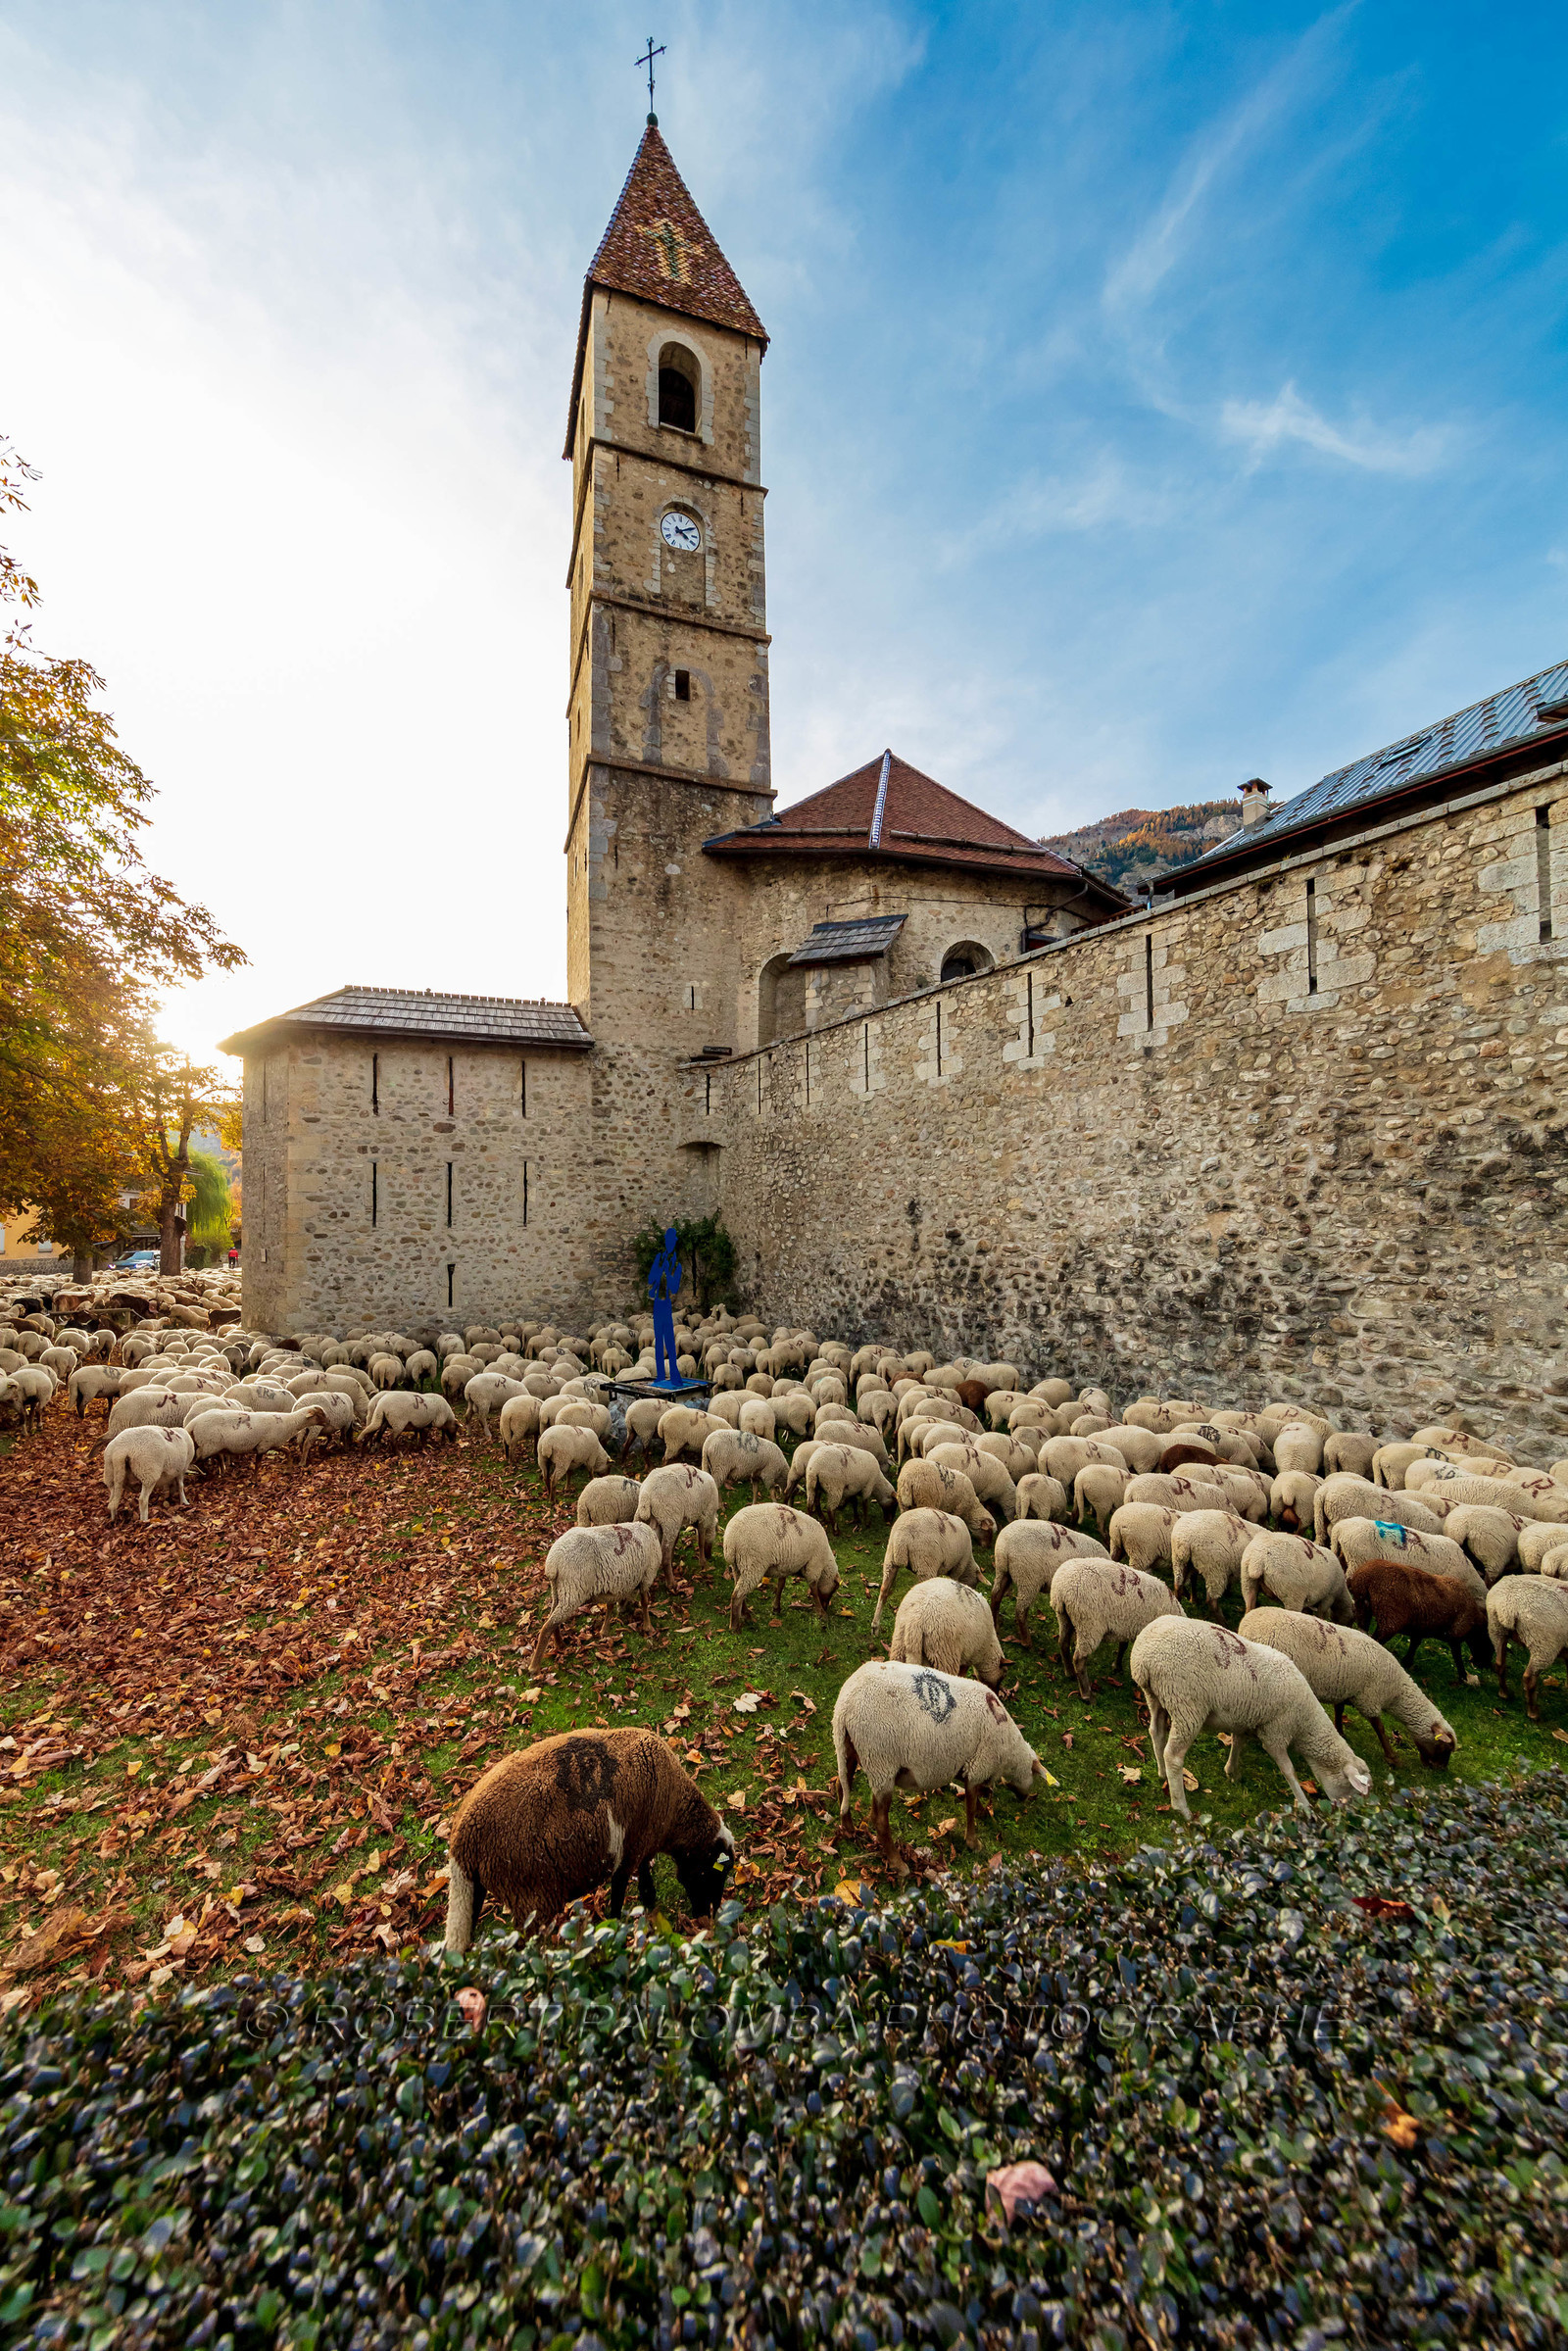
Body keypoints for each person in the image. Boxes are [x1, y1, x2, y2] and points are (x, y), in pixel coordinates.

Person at [649, 1226, 682, 1384]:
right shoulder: (659, 1257)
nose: (671, 1243)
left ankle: (674, 1374)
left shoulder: (677, 1264)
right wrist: (658, 1271)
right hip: (657, 1303)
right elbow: (650, 1279)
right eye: (669, 1240)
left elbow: (675, 1287)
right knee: (658, 1339)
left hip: (667, 1302)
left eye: (672, 1241)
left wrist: (667, 1274)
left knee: (669, 1339)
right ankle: (660, 1375)